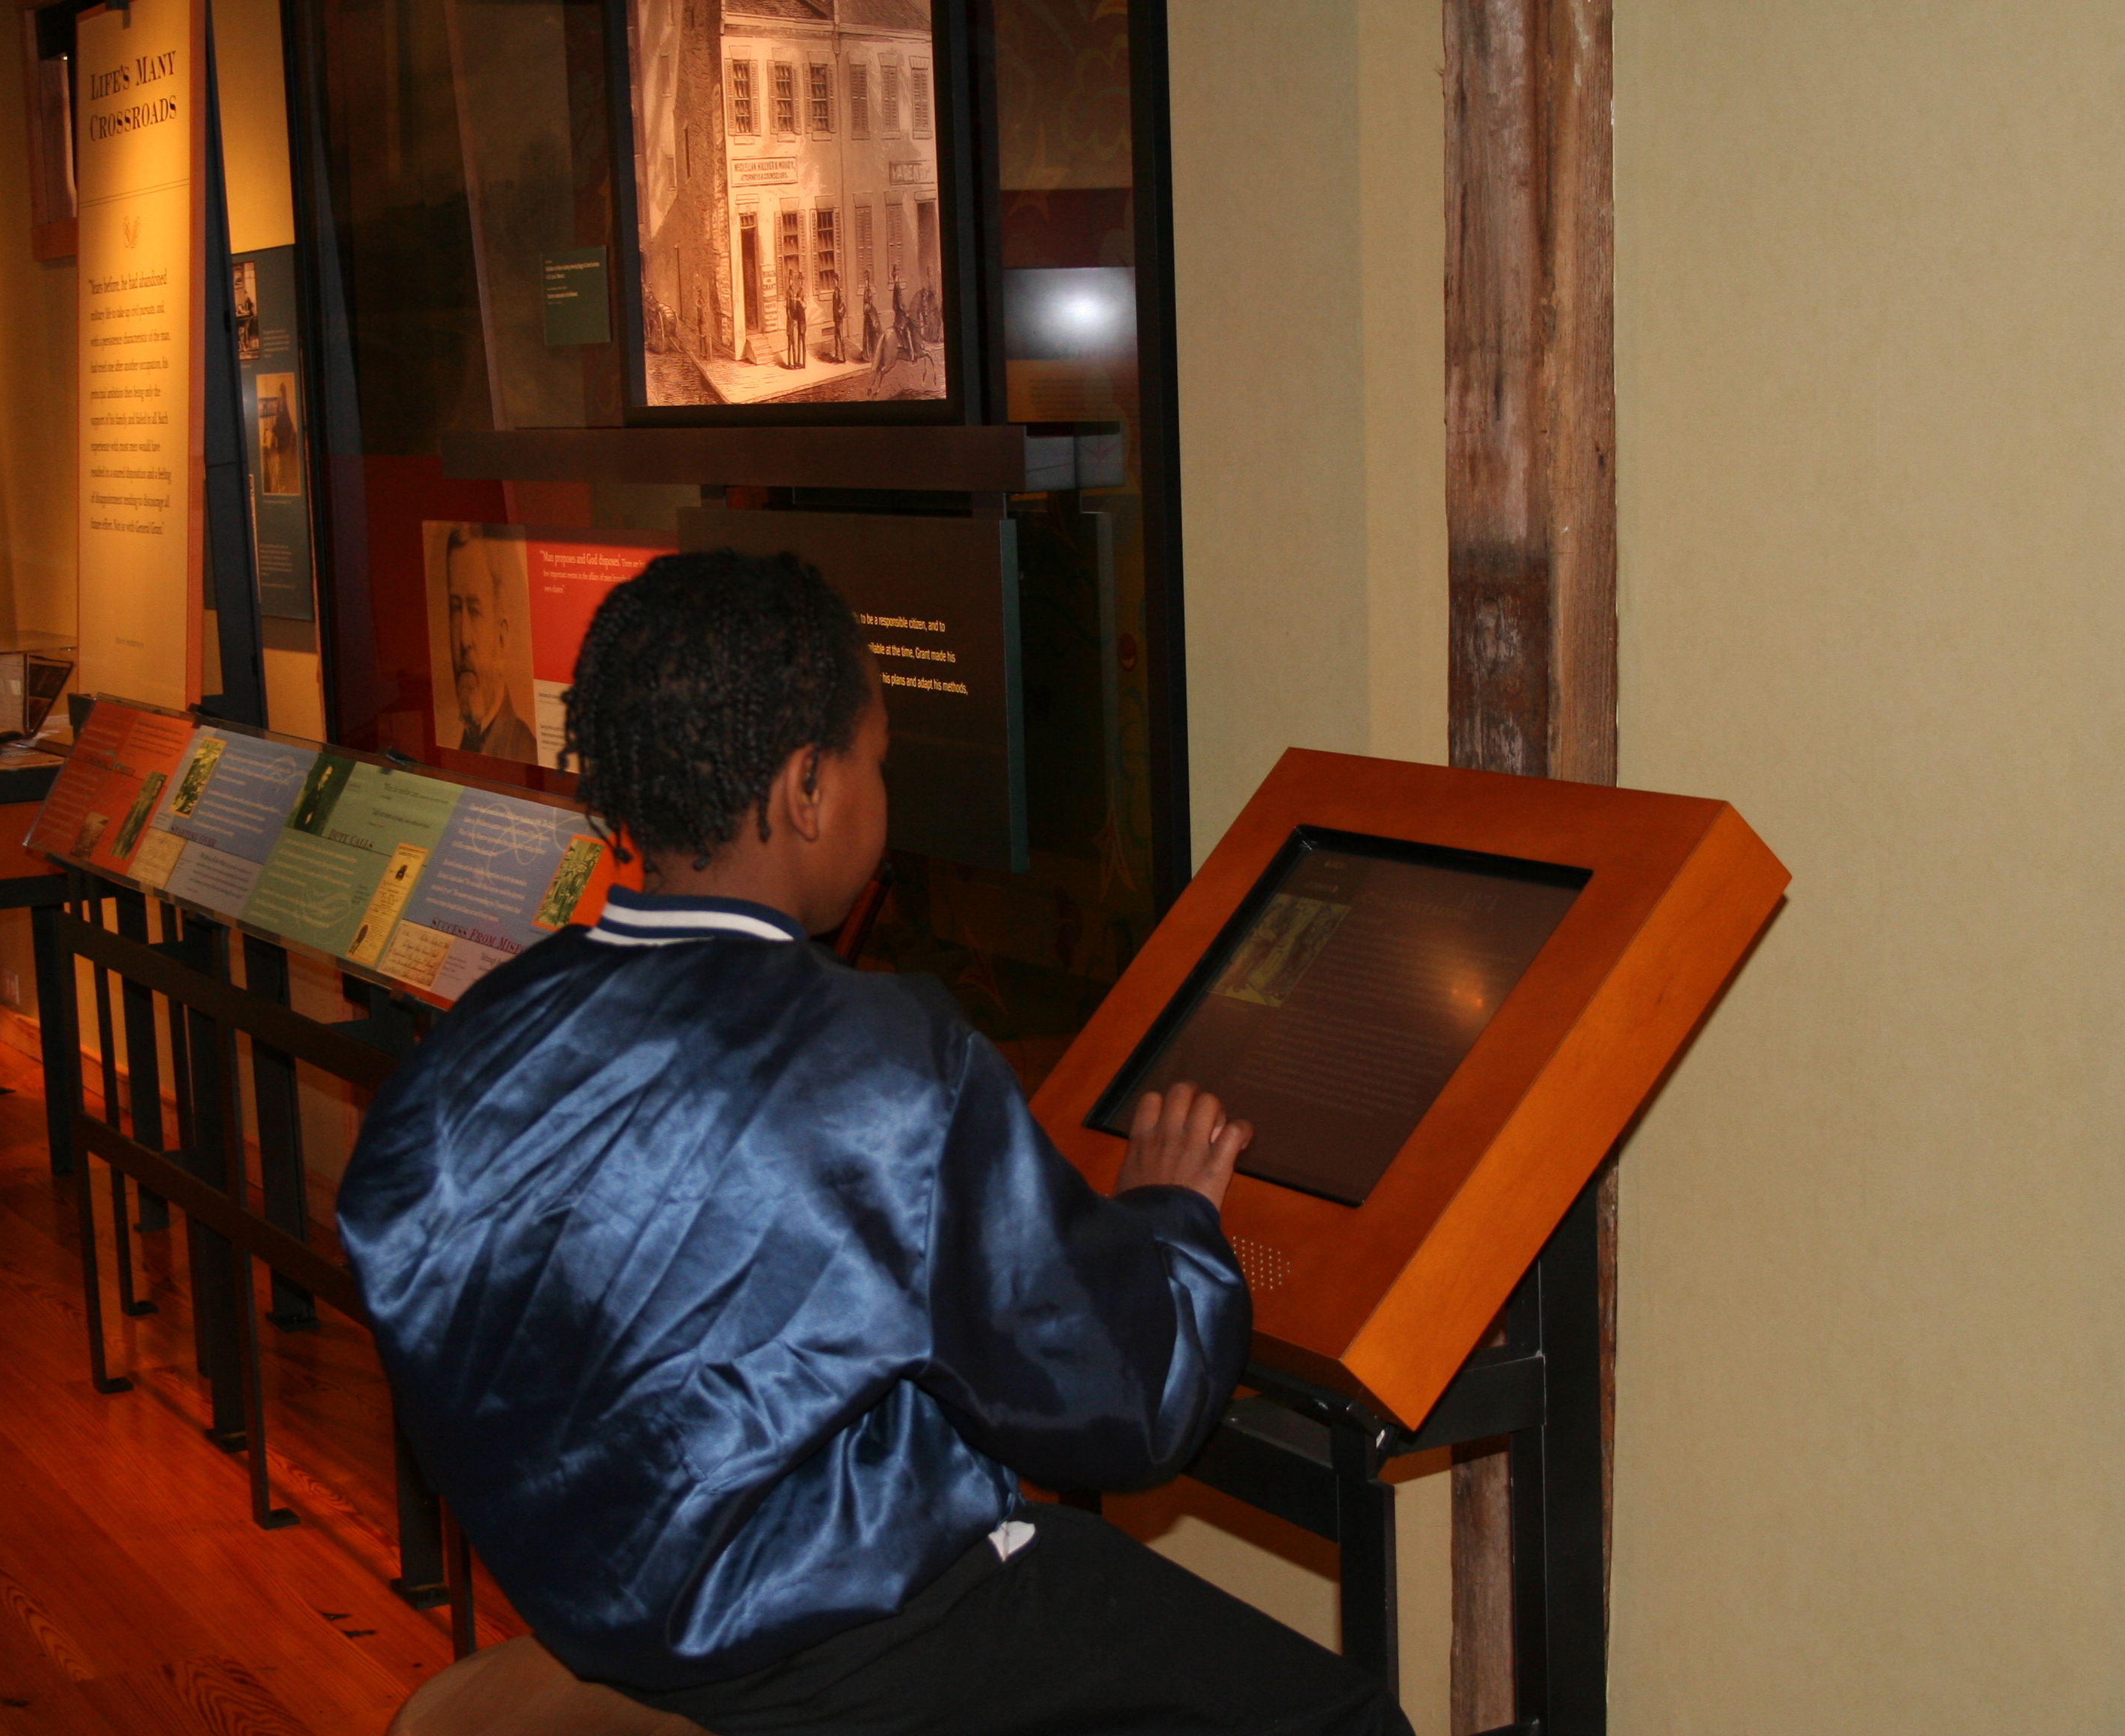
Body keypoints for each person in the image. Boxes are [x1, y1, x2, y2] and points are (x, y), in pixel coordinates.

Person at [338, 551, 1410, 1736]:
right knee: (1345, 1716)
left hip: (599, 1621)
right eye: (876, 764)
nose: (880, 802)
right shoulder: (888, 1063)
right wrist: (1174, 1223)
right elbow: (1124, 1405)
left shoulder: (473, 1041)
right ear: (808, 787)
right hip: (857, 1649)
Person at [442, 524, 539, 761]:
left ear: (502, 635)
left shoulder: (524, 751)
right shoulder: (465, 745)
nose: (464, 639)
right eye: (455, 609)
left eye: (475, 611)